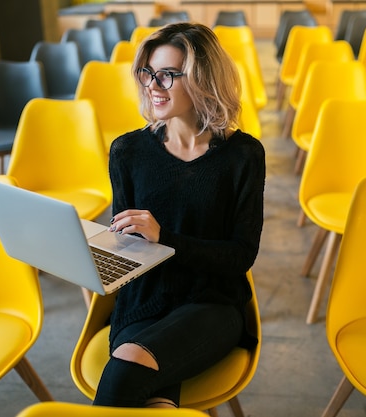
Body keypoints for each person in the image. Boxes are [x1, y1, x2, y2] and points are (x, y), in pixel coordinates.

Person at [92, 22, 266, 408]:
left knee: (128, 366)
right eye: (149, 73)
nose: (153, 85)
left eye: (168, 75)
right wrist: (92, 255)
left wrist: (164, 237)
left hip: (212, 304)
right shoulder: (127, 151)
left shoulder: (243, 156)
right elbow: (129, 247)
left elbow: (240, 256)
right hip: (145, 300)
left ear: (204, 80)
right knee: (155, 402)